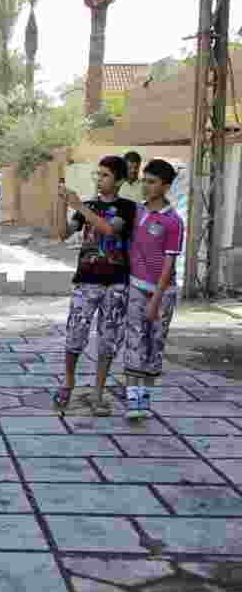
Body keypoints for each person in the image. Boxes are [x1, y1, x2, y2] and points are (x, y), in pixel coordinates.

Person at [53, 156, 137, 416]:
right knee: (75, 333)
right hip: (86, 280)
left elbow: (109, 230)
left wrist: (78, 204)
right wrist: (62, 203)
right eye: (97, 175)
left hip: (116, 282)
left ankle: (98, 391)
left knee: (108, 339)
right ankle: (68, 381)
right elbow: (63, 233)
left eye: (105, 175)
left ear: (120, 180)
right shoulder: (87, 205)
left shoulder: (128, 208)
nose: (99, 180)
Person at [123, 159, 184, 420]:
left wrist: (155, 301)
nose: (146, 186)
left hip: (162, 292)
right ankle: (132, 403)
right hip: (136, 286)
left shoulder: (173, 221)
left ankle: (144, 401)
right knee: (134, 342)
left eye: (152, 182)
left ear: (166, 186)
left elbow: (169, 264)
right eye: (144, 181)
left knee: (154, 345)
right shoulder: (137, 212)